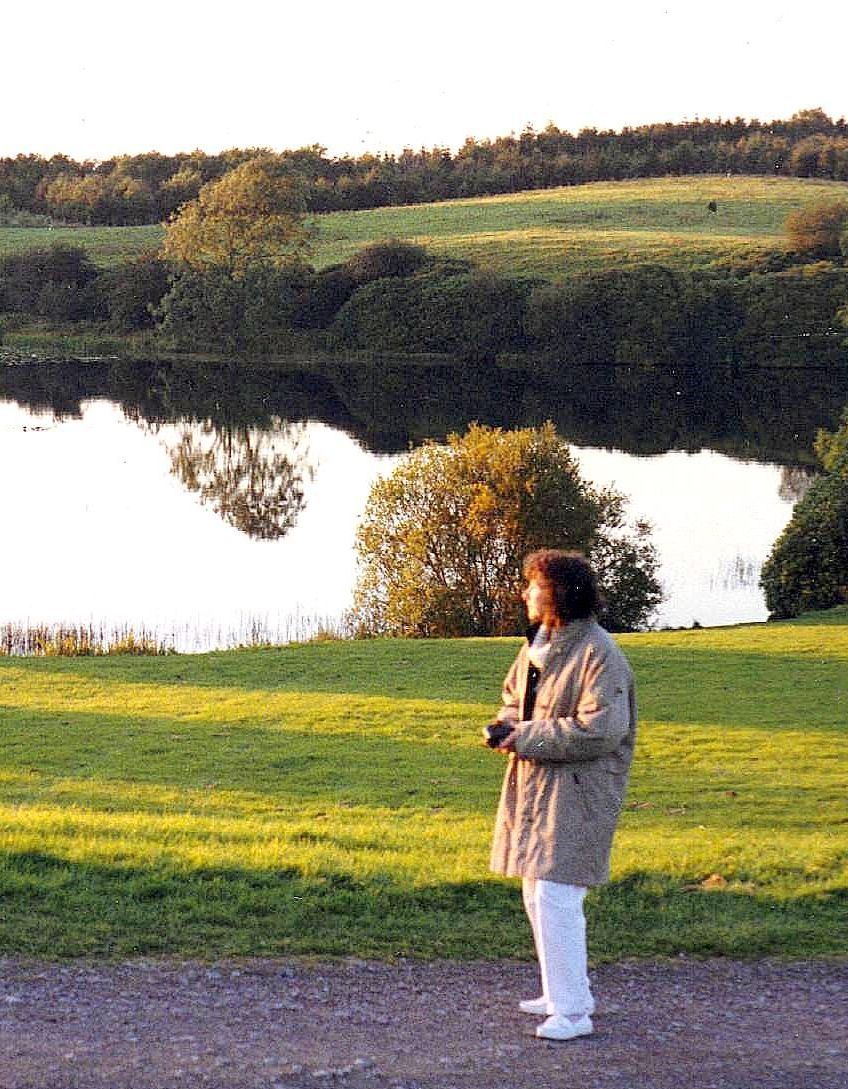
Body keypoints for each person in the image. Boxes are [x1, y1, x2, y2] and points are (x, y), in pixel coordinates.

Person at [486, 549, 637, 1042]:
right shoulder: (539, 644)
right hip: (537, 787)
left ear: (558, 594)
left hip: (579, 792)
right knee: (537, 889)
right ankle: (562, 995)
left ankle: (573, 1013)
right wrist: (505, 727)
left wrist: (524, 736)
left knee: (557, 893)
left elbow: (601, 731)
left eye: (534, 585)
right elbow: (514, 700)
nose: (525, 593)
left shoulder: (599, 653)